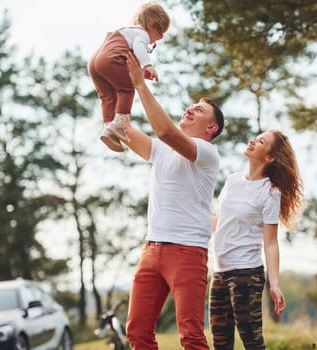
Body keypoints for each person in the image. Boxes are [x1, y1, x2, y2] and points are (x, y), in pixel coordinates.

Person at [122, 51, 225, 349]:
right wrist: (117, 86)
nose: (192, 108)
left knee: (191, 337)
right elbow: (123, 129)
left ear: (211, 128)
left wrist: (141, 85)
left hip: (187, 251)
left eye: (201, 110)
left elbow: (165, 130)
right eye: (193, 105)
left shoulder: (206, 153)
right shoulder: (160, 149)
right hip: (151, 248)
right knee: (137, 332)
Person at [209, 130, 303, 349]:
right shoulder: (233, 181)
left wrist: (275, 284)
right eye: (255, 137)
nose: (252, 141)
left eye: (261, 141)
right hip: (220, 272)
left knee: (252, 342)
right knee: (220, 343)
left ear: (270, 157)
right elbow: (220, 223)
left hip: (246, 274)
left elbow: (270, 242)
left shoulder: (270, 192)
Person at [87, 2, 170, 153]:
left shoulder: (125, 31)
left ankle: (109, 128)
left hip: (95, 62)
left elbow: (120, 55)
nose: (160, 37)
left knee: (107, 97)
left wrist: (141, 72)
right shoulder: (141, 33)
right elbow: (139, 47)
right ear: (152, 25)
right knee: (127, 89)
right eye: (160, 32)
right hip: (109, 60)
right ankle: (119, 124)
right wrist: (147, 65)